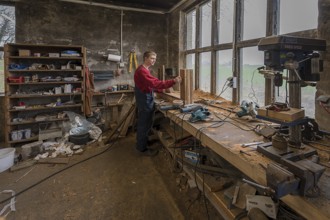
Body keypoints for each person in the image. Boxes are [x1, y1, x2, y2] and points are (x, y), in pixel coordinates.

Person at [134, 51, 181, 156]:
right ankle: (142, 148)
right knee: (144, 124)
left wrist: (160, 91)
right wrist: (173, 81)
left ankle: (144, 142)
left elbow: (150, 84)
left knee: (147, 123)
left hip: (147, 97)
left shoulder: (145, 69)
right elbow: (154, 83)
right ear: (145, 58)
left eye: (155, 58)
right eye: (152, 58)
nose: (154, 60)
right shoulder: (142, 71)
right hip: (144, 99)